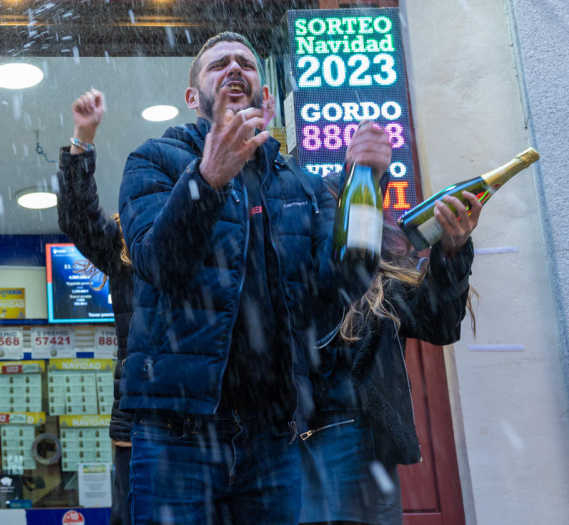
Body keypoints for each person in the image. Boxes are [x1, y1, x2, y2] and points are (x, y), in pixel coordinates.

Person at [116, 31, 390, 524]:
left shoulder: (303, 187)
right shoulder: (152, 161)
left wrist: (366, 186)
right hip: (177, 431)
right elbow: (160, 265)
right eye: (218, 65)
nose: (234, 69)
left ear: (265, 97)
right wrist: (207, 180)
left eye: (245, 62)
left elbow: (346, 282)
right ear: (191, 96)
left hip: (273, 436)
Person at [299, 180, 479, 525]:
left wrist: (453, 249)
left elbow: (439, 324)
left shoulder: (382, 281)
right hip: (297, 441)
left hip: (363, 445)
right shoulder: (289, 270)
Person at [55, 88, 135, 525]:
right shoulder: (125, 251)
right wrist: (82, 140)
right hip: (137, 424)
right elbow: (78, 218)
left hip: (205, 421)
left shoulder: (208, 240)